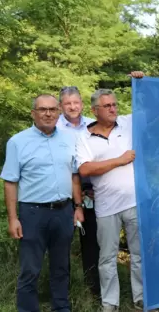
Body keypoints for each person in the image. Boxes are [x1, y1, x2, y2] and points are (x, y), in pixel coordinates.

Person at [0, 94, 84, 312]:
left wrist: (77, 207)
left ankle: (61, 308)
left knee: (61, 267)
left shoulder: (69, 139)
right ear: (33, 113)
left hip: (63, 211)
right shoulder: (18, 142)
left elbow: (75, 176)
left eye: (52, 109)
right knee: (30, 269)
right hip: (32, 214)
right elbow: (10, 182)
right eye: (42, 109)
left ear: (58, 112)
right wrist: (13, 218)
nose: (48, 113)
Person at [75, 71, 145, 312]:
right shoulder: (84, 137)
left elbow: (152, 105)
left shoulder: (127, 123)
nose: (113, 109)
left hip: (135, 202)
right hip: (105, 207)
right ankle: (110, 303)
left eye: (114, 104)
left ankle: (141, 297)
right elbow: (84, 168)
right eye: (107, 106)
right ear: (95, 110)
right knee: (107, 258)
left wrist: (140, 80)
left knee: (138, 254)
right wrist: (120, 160)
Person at [56, 86, 100, 297]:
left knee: (91, 243)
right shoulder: (53, 127)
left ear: (82, 104)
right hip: (63, 191)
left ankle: (93, 293)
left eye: (76, 102)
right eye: (67, 103)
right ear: (60, 106)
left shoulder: (93, 125)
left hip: (92, 191)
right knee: (61, 244)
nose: (73, 107)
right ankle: (63, 294)